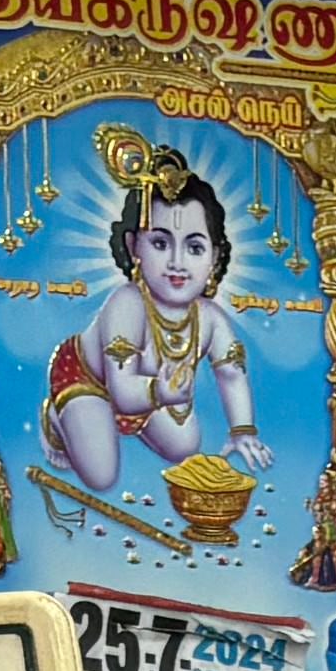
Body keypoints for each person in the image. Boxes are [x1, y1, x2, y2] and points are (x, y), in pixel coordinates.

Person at [43, 135, 265, 497]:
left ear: (215, 257)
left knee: (185, 446)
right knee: (101, 476)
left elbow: (231, 373)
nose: (177, 262)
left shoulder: (209, 318)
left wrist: (243, 431)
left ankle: (104, 425)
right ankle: (56, 418)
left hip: (149, 394)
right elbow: (123, 390)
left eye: (194, 247)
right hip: (91, 381)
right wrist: (162, 390)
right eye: (160, 243)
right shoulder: (127, 304)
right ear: (134, 248)